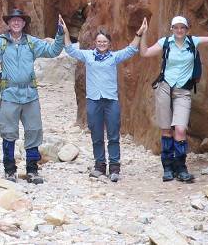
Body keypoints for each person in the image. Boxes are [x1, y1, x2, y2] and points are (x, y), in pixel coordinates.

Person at [0, 4, 65, 184]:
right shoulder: (0, 43)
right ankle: (10, 170)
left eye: (19, 20)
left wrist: (60, 33)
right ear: (9, 23)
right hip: (9, 95)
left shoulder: (32, 43)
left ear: (24, 23)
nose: (16, 23)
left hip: (30, 94)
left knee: (33, 132)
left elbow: (53, 51)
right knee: (9, 133)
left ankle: (32, 170)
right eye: (13, 20)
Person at [140, 13, 208, 182]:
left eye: (182, 27)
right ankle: (168, 167)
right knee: (166, 129)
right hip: (164, 87)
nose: (179, 30)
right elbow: (145, 53)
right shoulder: (165, 42)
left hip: (183, 90)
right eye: (176, 27)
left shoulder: (193, 41)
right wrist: (143, 33)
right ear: (172, 29)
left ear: (187, 29)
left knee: (180, 129)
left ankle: (181, 167)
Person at [61, 17, 148, 182]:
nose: (102, 43)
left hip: (110, 101)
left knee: (114, 135)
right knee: (97, 134)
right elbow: (70, 50)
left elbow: (130, 50)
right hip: (93, 100)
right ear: (95, 42)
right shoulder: (88, 56)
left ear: (109, 43)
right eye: (99, 41)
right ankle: (99, 165)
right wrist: (65, 32)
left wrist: (139, 33)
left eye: (105, 41)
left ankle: (114, 167)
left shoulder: (114, 57)